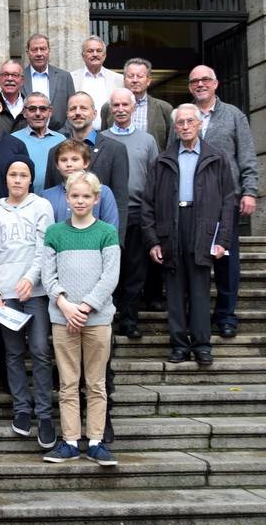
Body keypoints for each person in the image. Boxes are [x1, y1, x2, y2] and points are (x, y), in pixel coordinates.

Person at [143, 105, 235, 365]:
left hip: (202, 225)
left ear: (199, 125)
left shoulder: (216, 158)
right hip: (170, 227)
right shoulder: (162, 160)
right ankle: (179, 346)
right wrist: (152, 240)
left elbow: (229, 201)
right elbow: (148, 203)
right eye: (180, 122)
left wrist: (222, 240)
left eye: (189, 121)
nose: (184, 126)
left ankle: (202, 345)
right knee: (173, 291)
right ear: (175, 128)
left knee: (200, 290)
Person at [41, 170, 120, 467]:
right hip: (63, 319)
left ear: (96, 199)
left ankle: (97, 441)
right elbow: (48, 276)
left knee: (96, 383)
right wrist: (65, 305)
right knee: (68, 382)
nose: (80, 201)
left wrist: (85, 307)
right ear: (67, 197)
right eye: (75, 195)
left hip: (97, 320)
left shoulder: (106, 233)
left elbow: (110, 275)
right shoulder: (55, 233)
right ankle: (71, 440)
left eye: (86, 196)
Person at [0, 156, 56, 448]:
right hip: (7, 294)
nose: (17, 179)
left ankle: (44, 414)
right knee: (13, 352)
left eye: (23, 175)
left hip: (36, 292)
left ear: (31, 179)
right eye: (13, 174)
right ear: (6, 178)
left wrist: (30, 278)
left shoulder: (42, 206)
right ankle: (21, 409)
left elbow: (44, 248)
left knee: (40, 350)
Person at [187, 65, 258, 338]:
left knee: (227, 262)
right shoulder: (184, 115)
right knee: (195, 262)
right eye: (195, 81)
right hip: (191, 202)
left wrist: (250, 191)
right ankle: (198, 316)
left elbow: (248, 156)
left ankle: (226, 316)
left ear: (216, 83)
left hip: (225, 202)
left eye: (205, 79)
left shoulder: (233, 116)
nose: (200, 84)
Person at [102, 88, 158, 339]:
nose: (121, 109)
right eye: (116, 105)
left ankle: (129, 320)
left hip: (137, 213)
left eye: (126, 104)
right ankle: (107, 318)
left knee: (135, 270)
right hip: (105, 215)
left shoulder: (147, 141)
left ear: (134, 108)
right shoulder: (100, 139)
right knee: (110, 269)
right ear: (110, 109)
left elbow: (155, 178)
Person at [43, 91, 129, 242]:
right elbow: (50, 195)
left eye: (83, 108)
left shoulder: (115, 149)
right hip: (62, 240)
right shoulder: (55, 152)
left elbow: (120, 200)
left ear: (95, 113)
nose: (77, 113)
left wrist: (117, 243)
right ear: (67, 114)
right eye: (72, 109)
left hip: (101, 241)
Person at [41, 140, 119, 228]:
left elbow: (111, 228)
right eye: (63, 160)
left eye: (75, 159)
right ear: (57, 165)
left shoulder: (102, 192)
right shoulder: (47, 196)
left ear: (86, 163)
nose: (69, 164)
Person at [101, 58, 173, 150]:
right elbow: (103, 140)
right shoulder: (109, 107)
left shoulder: (164, 108)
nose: (135, 80)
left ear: (148, 81)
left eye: (139, 76)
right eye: (130, 76)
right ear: (124, 79)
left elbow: (170, 143)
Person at [12, 93, 65, 195]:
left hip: (56, 201)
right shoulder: (14, 140)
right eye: (32, 109)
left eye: (43, 109)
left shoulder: (61, 141)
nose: (38, 113)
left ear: (50, 112)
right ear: (24, 112)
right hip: (23, 201)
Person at [22, 33, 75, 132]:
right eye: (34, 50)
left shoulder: (64, 77)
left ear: (49, 51)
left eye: (43, 49)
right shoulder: (20, 78)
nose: (39, 54)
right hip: (27, 137)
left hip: (60, 137)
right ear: (27, 52)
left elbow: (73, 108)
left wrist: (63, 135)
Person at [69, 36, 124, 129]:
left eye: (99, 51)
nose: (95, 54)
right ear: (83, 56)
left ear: (104, 55)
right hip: (79, 135)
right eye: (90, 51)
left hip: (110, 134)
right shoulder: (71, 78)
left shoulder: (119, 79)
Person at [0, 60, 28, 134]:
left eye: (15, 75)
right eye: (5, 74)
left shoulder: (31, 107)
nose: (10, 79)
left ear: (22, 80)